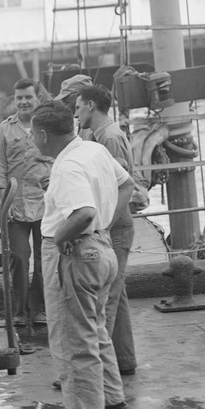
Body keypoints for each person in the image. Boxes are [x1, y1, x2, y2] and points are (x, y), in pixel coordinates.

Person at [31, 100, 135, 409]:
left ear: (43, 134)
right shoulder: (91, 149)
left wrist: (61, 239)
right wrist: (106, 223)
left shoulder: (68, 168)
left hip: (76, 251)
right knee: (96, 331)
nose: (31, 137)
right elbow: (126, 184)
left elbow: (83, 212)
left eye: (33, 132)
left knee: (73, 340)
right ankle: (113, 405)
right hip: (102, 249)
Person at [74, 84, 139, 376]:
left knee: (108, 298)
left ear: (90, 105)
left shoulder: (110, 138)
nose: (75, 113)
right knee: (118, 293)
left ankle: (100, 369)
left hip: (116, 226)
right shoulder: (95, 135)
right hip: (113, 224)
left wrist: (105, 225)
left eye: (77, 107)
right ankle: (124, 360)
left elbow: (124, 186)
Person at [0, 78, 51, 326]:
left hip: (46, 205)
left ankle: (40, 309)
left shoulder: (47, 128)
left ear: (38, 99)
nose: (23, 102)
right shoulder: (4, 130)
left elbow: (59, 162)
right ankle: (19, 311)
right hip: (15, 206)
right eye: (19, 98)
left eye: (28, 97)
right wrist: (5, 208)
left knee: (43, 258)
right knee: (18, 257)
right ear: (14, 101)